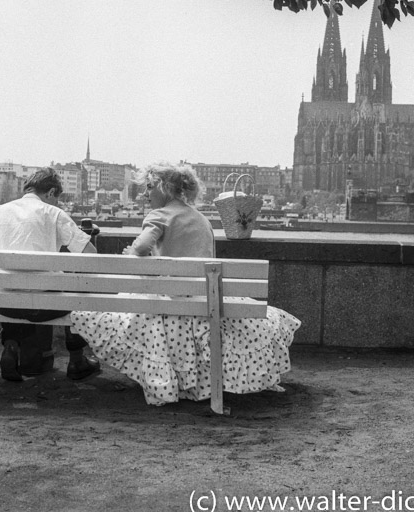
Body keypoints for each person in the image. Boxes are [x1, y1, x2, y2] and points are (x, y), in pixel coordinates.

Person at [69, 162, 301, 406]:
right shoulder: (202, 219)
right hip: (204, 301)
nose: (144, 194)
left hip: (174, 301)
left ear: (165, 188)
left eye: (149, 187)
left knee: (111, 314)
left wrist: (131, 254)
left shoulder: (159, 215)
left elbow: (140, 248)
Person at [0, 168, 101, 383]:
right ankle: (76, 360)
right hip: (45, 306)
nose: (57, 204)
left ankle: (11, 347)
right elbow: (90, 256)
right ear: (51, 192)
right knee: (80, 292)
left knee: (14, 287)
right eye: (57, 199)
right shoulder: (51, 213)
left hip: (5, 304)